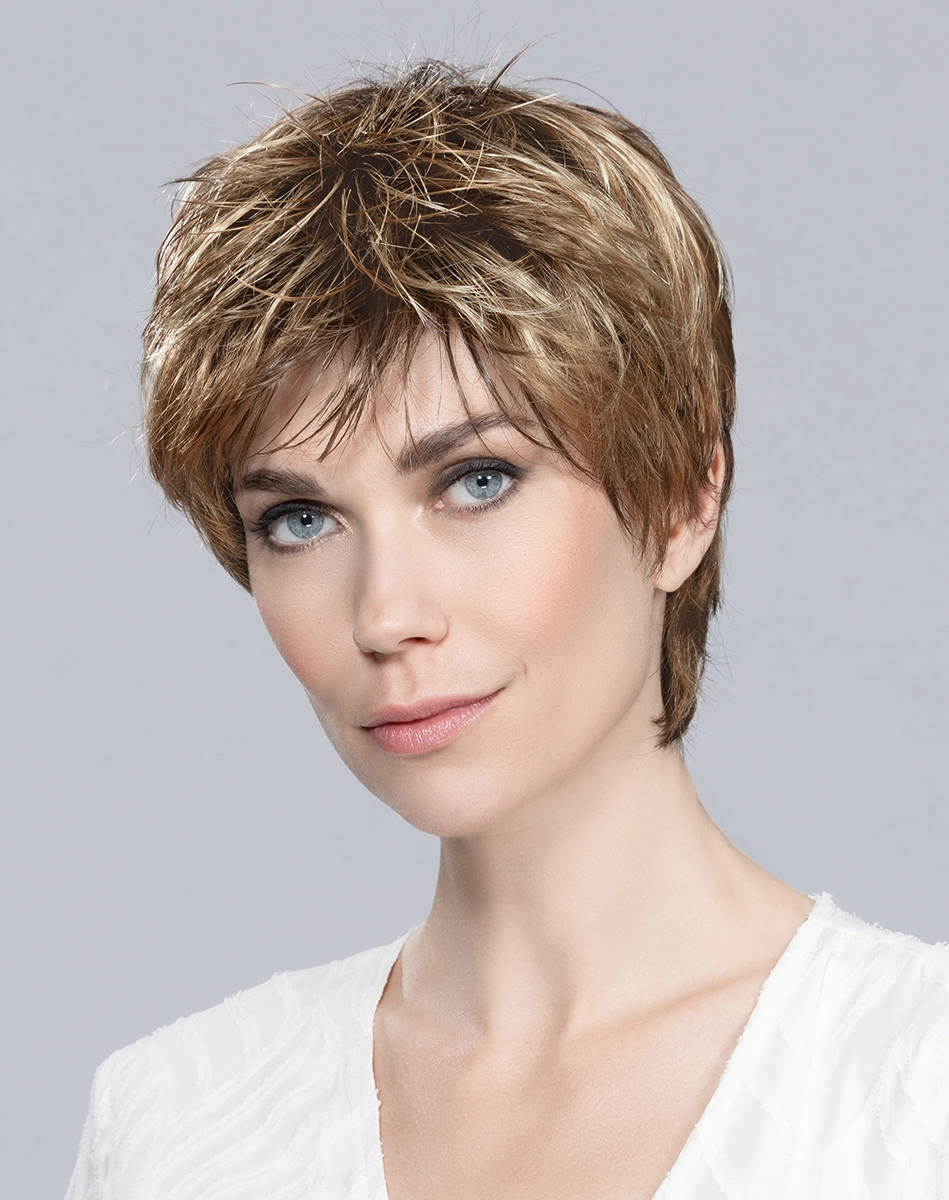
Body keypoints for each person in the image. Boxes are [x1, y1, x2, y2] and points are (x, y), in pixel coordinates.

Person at [66, 58, 949, 1200]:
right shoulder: (175, 1128)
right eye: (299, 519)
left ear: (682, 500)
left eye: (475, 481)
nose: (386, 615)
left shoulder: (913, 1093)